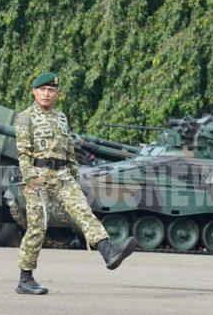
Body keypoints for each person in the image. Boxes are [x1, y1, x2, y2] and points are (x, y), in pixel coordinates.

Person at [14, 71, 136, 295]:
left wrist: (74, 176)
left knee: (83, 213)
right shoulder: (25, 117)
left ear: (57, 94)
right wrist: (30, 178)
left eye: (51, 90)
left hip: (62, 176)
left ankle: (109, 252)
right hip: (38, 176)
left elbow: (69, 150)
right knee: (37, 227)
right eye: (42, 90)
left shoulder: (61, 117)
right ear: (34, 92)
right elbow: (23, 153)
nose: (47, 94)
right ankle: (25, 278)